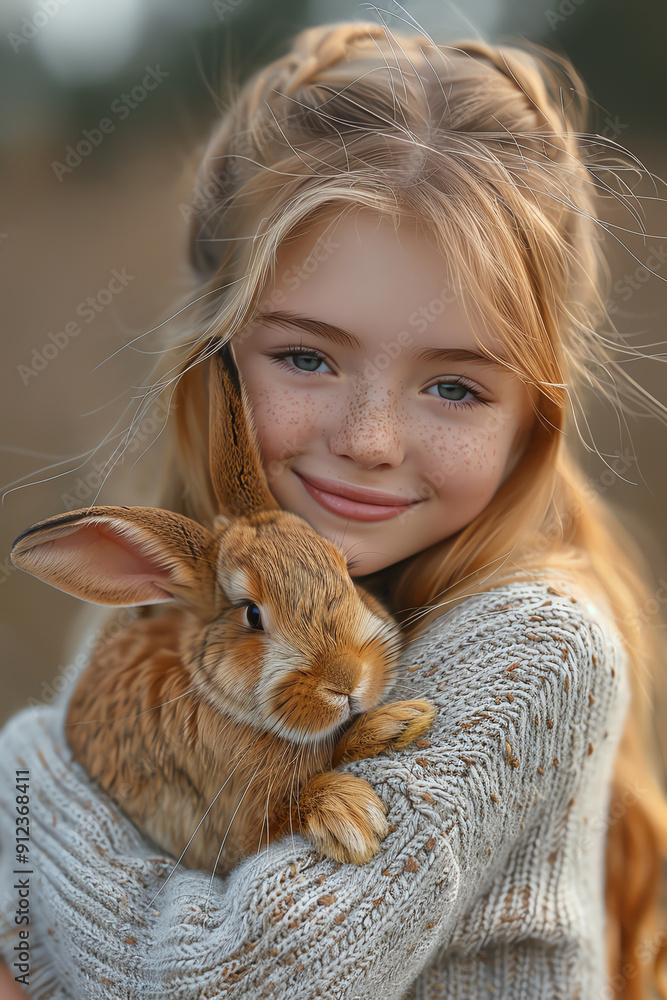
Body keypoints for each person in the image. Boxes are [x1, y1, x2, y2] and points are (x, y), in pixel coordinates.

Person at [1, 20, 667, 999]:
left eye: (454, 387)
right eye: (307, 357)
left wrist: (27, 767)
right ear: (217, 367)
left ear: (532, 415)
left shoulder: (533, 648)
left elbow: (232, 979)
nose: (368, 439)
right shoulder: (186, 605)